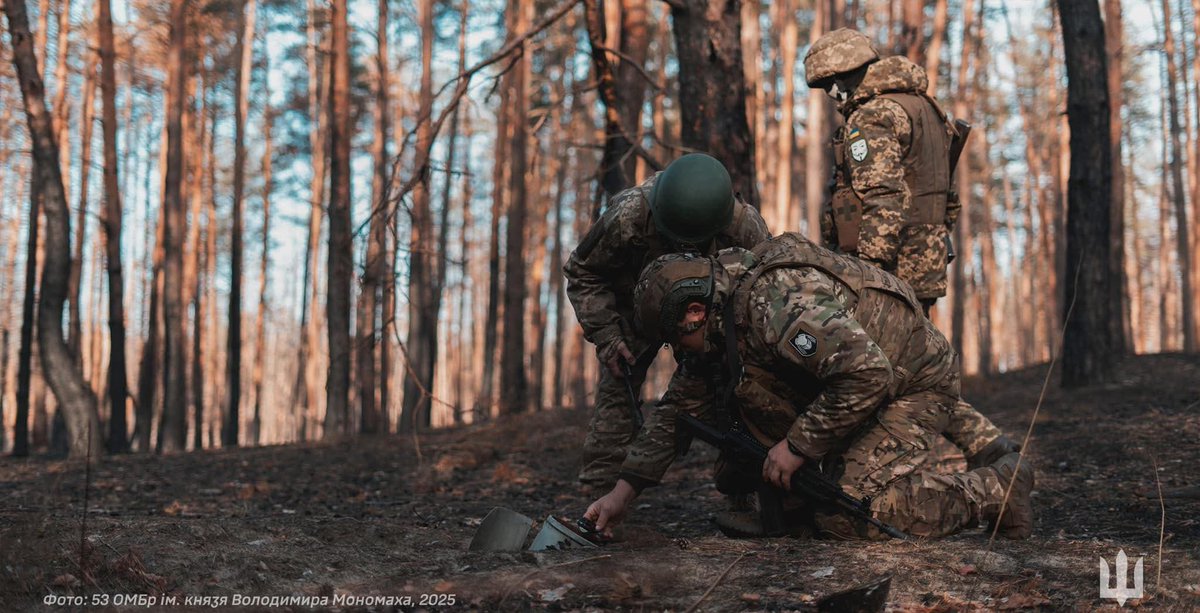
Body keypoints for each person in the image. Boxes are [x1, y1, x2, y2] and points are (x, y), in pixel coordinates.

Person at [584, 233, 1035, 540]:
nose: (678, 352)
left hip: (911, 384)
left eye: (675, 339)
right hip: (857, 384)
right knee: (748, 468)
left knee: (849, 514)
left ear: (696, 311)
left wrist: (798, 446)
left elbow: (867, 373)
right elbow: (678, 409)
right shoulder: (724, 318)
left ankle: (997, 491)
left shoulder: (776, 304)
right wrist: (621, 493)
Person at [804, 27, 1017, 465]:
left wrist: (867, 273)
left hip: (890, 270)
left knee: (881, 373)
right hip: (924, 263)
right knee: (914, 368)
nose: (832, 94)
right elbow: (948, 201)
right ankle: (991, 449)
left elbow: (882, 196)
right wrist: (931, 249)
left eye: (832, 84)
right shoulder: (925, 109)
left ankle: (913, 465)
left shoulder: (874, 116)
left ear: (846, 74)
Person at [564, 153, 769, 491]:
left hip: (706, 314)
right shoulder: (628, 215)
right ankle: (600, 495)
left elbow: (763, 288)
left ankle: (743, 491)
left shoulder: (744, 226)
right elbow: (582, 271)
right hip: (634, 307)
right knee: (619, 386)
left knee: (735, 390)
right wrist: (607, 334)